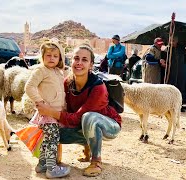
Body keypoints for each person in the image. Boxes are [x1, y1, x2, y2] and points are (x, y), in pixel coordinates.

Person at [36, 44, 122, 177]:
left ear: (91, 65)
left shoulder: (98, 87)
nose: (79, 63)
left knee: (89, 118)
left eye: (84, 60)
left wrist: (50, 111)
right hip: (83, 123)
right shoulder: (67, 83)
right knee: (50, 127)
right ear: (71, 61)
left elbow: (77, 117)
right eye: (76, 58)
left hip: (108, 125)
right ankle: (54, 159)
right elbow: (63, 109)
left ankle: (96, 162)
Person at [25, 40, 70, 178]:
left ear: (60, 58)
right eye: (48, 55)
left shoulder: (57, 71)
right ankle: (52, 169)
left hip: (55, 113)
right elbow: (29, 86)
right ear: (42, 56)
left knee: (47, 139)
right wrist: (40, 102)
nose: (52, 58)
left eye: (55, 56)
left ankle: (42, 164)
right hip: (47, 112)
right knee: (52, 140)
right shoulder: (41, 70)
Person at [161, 36, 186, 112]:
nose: (171, 42)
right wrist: (163, 62)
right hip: (171, 72)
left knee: (180, 89)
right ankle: (168, 106)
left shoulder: (182, 48)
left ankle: (179, 106)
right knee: (170, 89)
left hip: (180, 72)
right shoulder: (167, 49)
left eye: (173, 41)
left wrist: (181, 66)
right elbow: (162, 58)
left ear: (176, 41)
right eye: (170, 41)